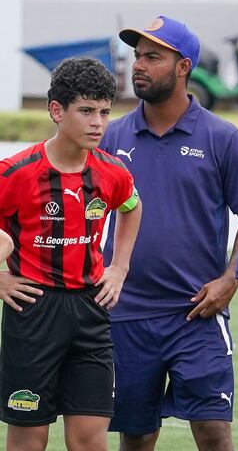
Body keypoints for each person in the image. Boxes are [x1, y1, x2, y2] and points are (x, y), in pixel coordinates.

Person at [99, 16, 238, 451]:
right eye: (138, 56)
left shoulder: (223, 138)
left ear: (183, 67)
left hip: (197, 315)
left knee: (213, 433)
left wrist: (231, 279)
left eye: (153, 57)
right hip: (126, 314)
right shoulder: (111, 137)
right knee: (136, 436)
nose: (139, 65)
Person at [0, 57, 142, 451]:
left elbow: (132, 207)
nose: (98, 123)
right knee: (29, 439)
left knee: (89, 440)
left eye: (104, 112)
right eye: (86, 111)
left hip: (90, 310)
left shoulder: (112, 172)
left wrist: (119, 267)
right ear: (57, 111)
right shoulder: (15, 172)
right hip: (33, 310)